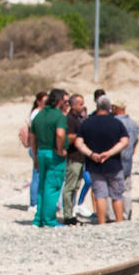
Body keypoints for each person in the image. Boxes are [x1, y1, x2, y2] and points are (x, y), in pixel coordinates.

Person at [74, 96, 130, 224]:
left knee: (100, 194)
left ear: (97, 107)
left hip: (95, 164)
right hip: (113, 164)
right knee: (117, 195)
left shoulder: (87, 123)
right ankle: (119, 222)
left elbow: (78, 143)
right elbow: (125, 141)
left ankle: (101, 222)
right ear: (110, 108)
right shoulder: (116, 123)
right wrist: (109, 153)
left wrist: (91, 154)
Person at [29, 88, 68, 228]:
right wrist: (61, 149)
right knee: (53, 186)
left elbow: (32, 138)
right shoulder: (59, 116)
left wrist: (34, 156)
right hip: (53, 154)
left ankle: (38, 218)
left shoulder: (39, 115)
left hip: (40, 152)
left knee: (42, 186)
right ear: (59, 101)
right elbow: (60, 134)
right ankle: (49, 220)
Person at [62, 94, 94, 224]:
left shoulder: (77, 119)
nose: (82, 106)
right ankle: (67, 215)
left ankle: (72, 212)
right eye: (80, 104)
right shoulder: (69, 119)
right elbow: (68, 137)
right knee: (70, 187)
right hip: (73, 157)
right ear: (73, 105)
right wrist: (81, 136)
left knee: (75, 186)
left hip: (80, 158)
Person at [112, 100, 139, 220]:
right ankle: (126, 213)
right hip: (128, 159)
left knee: (113, 188)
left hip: (114, 158)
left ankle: (113, 215)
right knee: (127, 189)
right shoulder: (133, 124)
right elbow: (135, 142)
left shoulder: (113, 122)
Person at [23, 91, 45, 213]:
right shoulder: (36, 114)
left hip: (38, 147)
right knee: (36, 175)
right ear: (38, 101)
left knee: (39, 175)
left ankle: (36, 202)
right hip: (36, 147)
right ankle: (33, 203)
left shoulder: (38, 113)